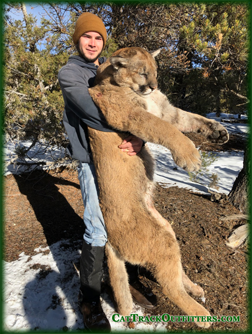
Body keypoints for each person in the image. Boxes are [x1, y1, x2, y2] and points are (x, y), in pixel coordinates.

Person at [58, 12, 153, 331]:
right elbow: (96, 113)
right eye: (88, 36)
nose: (93, 42)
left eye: (98, 37)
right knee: (98, 227)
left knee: (129, 217)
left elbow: (138, 107)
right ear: (78, 39)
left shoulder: (111, 70)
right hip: (93, 161)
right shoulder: (70, 72)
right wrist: (134, 126)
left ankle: (127, 282)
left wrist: (139, 137)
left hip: (125, 155)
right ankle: (90, 301)